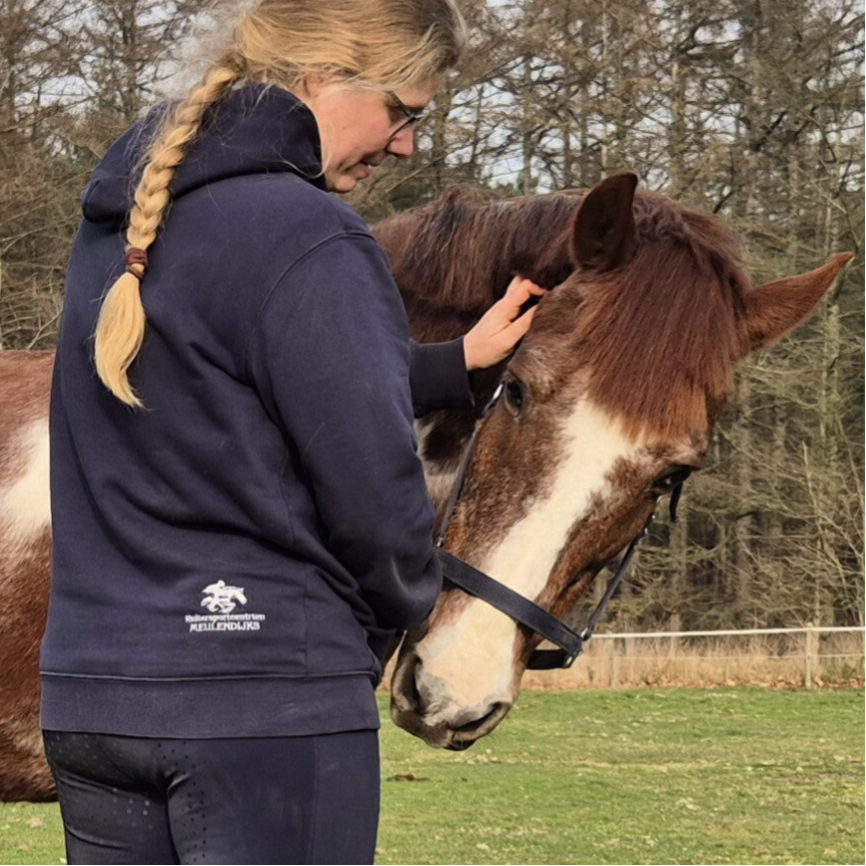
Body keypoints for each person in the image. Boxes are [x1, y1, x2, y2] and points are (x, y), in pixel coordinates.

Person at [39, 1, 543, 864]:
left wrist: (449, 364)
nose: (405, 146)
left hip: (95, 705)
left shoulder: (123, 222)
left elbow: (212, 382)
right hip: (261, 703)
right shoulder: (310, 236)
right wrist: (404, 605)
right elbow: (373, 498)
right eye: (401, 112)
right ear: (322, 76)